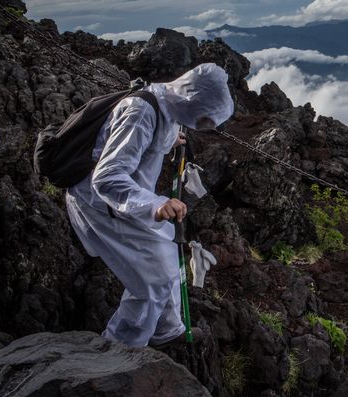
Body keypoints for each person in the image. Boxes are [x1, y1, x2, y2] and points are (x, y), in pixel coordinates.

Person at [65, 63, 234, 347]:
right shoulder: (140, 113)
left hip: (129, 202)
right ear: (191, 99)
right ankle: (120, 349)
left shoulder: (166, 103)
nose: (203, 126)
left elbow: (148, 139)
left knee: (166, 254)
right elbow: (107, 177)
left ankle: (166, 330)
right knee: (153, 281)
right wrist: (155, 205)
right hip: (101, 204)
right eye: (204, 119)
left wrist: (170, 140)